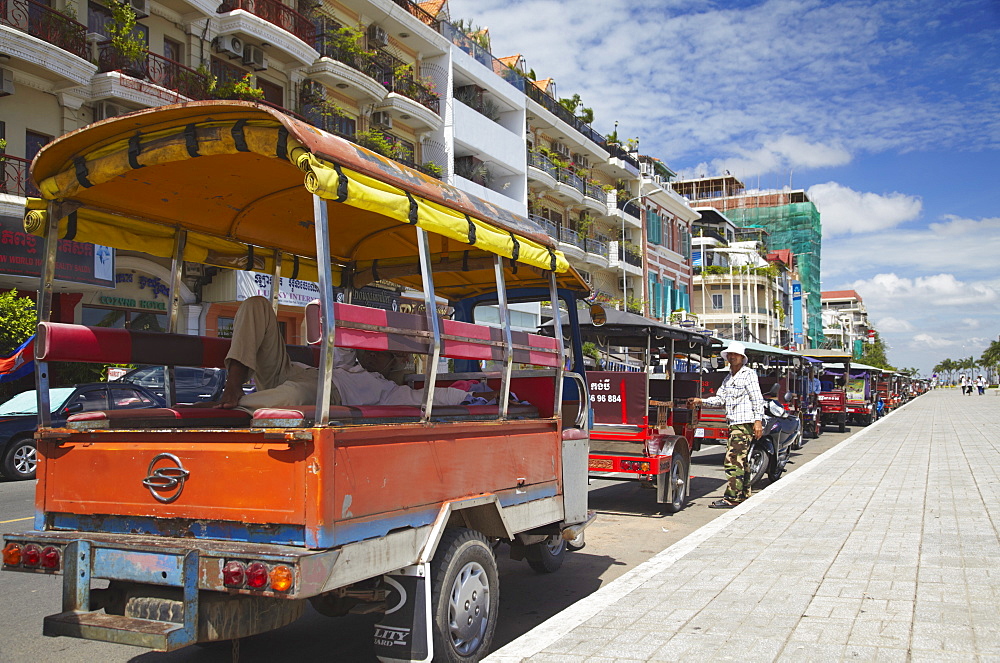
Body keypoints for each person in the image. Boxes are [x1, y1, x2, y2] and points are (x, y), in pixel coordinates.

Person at [215, 296, 493, 410]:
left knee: (294, 396)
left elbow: (432, 397)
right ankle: (233, 388)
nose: (372, 355)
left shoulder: (388, 390)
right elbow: (333, 322)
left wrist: (470, 394)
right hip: (295, 373)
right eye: (369, 349)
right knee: (257, 304)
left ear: (391, 364)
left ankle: (229, 408)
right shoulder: (348, 359)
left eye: (381, 354)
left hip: (324, 392)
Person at [687, 341, 764, 509]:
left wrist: (758, 421)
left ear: (742, 357)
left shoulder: (748, 374)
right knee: (741, 461)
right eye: (730, 354)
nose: (731, 357)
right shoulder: (728, 377)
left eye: (735, 355)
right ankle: (743, 494)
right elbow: (720, 399)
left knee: (733, 460)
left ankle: (732, 498)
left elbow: (757, 398)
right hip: (734, 423)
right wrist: (701, 401)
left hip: (744, 423)